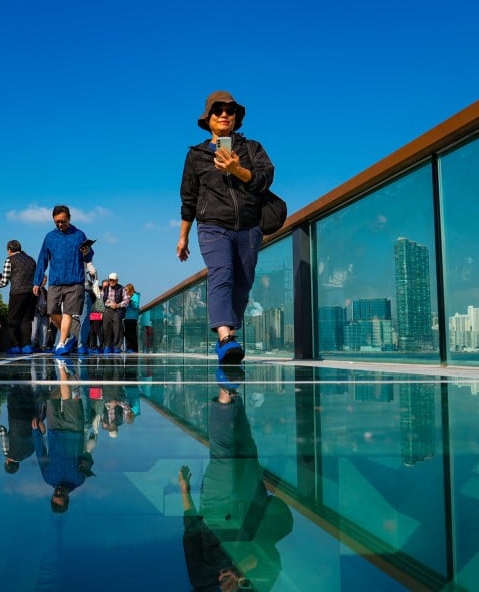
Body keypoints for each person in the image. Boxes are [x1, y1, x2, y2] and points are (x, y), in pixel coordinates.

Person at [177, 91, 275, 368]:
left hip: (249, 226)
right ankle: (224, 337)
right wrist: (183, 236)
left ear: (236, 118)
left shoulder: (251, 148)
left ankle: (229, 334)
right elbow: (189, 198)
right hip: (212, 226)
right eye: (217, 110)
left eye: (229, 111)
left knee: (243, 281)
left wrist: (238, 169)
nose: (224, 114)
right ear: (207, 118)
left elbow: (265, 178)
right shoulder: (196, 156)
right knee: (222, 273)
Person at [177, 376, 293, 591]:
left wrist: (185, 492)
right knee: (247, 447)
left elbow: (191, 536)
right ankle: (231, 394)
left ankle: (225, 392)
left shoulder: (201, 583)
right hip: (250, 508)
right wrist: (242, 571)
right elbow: (272, 559)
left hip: (216, 511)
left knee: (224, 455)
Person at [32, 360, 96, 512]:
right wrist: (86, 463)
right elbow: (87, 456)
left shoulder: (49, 478)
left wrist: (37, 432)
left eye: (56, 493)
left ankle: (67, 376)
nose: (59, 491)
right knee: (67, 398)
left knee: (53, 397)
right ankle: (62, 366)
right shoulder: (79, 480)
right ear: (67, 498)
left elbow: (41, 455)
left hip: (54, 430)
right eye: (61, 495)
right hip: (74, 429)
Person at [34, 205, 93, 356]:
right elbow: (42, 259)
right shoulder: (49, 237)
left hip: (75, 280)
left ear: (69, 218)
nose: (60, 224)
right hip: (55, 280)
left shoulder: (79, 235)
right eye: (57, 222)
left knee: (67, 313)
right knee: (52, 312)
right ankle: (69, 337)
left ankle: (61, 343)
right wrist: (37, 280)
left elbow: (88, 257)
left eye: (63, 221)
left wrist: (87, 252)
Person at [0, 239, 38, 355]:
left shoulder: (9, 260)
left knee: (12, 319)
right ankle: (27, 346)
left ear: (9, 250)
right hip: (31, 293)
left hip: (17, 293)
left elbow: (4, 282)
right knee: (26, 319)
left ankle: (15, 346)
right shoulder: (31, 260)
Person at [101, 273, 127, 354]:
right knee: (106, 328)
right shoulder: (105, 289)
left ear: (117, 280)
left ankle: (117, 347)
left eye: (113, 280)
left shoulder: (122, 288)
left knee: (117, 329)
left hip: (117, 311)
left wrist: (118, 305)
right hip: (107, 310)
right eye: (110, 280)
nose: (111, 281)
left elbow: (126, 301)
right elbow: (100, 300)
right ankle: (107, 346)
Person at [123, 283, 141, 353]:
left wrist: (130, 301)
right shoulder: (126, 296)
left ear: (130, 289)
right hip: (126, 317)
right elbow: (125, 307)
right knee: (126, 333)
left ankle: (134, 348)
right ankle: (128, 347)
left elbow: (135, 306)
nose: (125, 291)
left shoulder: (136, 295)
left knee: (132, 333)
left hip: (133, 318)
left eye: (127, 289)